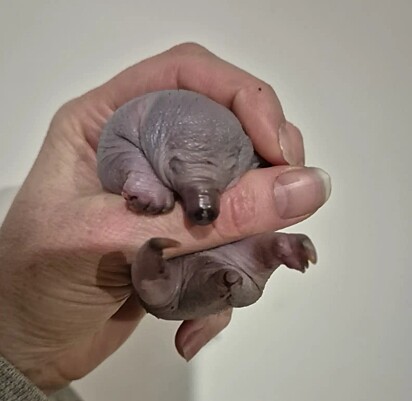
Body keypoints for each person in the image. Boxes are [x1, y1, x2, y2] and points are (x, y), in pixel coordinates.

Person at [0, 43, 331, 400]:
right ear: (152, 140)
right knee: (169, 288)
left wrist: (25, 362)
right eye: (179, 166)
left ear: (240, 156)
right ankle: (194, 272)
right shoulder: (126, 133)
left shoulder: (239, 158)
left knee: (244, 266)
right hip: (174, 276)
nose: (202, 203)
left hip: (227, 256)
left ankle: (270, 252)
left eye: (212, 172)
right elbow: (119, 165)